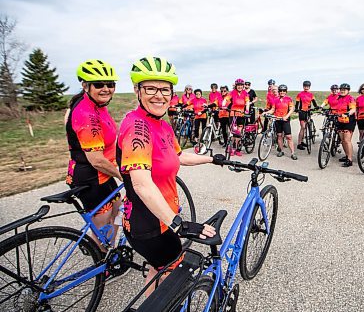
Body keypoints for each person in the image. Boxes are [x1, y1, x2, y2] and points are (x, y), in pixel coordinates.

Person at [117, 56, 218, 297]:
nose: (159, 95)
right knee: (174, 273)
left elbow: (179, 157)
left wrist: (213, 159)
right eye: (151, 88)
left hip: (160, 217)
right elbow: (141, 184)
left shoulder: (161, 124)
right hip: (151, 224)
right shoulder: (137, 128)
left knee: (159, 267)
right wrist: (178, 224)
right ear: (137, 90)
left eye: (165, 89)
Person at [66, 60, 122, 252]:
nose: (106, 89)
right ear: (85, 86)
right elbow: (96, 159)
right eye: (99, 84)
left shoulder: (97, 105)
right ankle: (100, 257)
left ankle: (108, 249)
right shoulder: (87, 114)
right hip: (92, 175)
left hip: (103, 172)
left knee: (117, 206)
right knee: (103, 223)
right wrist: (123, 174)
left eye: (110, 84)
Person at [263, 84, 297, 160]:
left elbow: (292, 109)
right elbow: (273, 109)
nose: (282, 92)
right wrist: (266, 113)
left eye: (284, 91)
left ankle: (293, 153)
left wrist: (286, 116)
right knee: (279, 135)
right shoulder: (276, 100)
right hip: (277, 119)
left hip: (285, 120)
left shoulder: (289, 99)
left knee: (289, 137)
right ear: (279, 91)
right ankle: (281, 151)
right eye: (280, 91)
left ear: (286, 91)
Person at [328, 83, 356, 167]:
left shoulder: (350, 98)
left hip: (349, 120)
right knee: (342, 140)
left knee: (347, 140)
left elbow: (353, 109)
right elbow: (335, 107)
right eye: (341, 90)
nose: (342, 91)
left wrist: (348, 113)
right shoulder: (338, 98)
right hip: (340, 120)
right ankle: (347, 155)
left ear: (348, 91)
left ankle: (350, 159)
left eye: (344, 90)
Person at [224, 78, 250, 156]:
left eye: (241, 85)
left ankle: (238, 149)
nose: (240, 87)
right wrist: (223, 104)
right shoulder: (232, 93)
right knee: (233, 132)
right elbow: (226, 99)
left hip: (241, 114)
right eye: (238, 85)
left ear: (243, 86)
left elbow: (247, 102)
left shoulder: (245, 93)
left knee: (238, 132)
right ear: (236, 86)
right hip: (233, 114)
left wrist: (247, 110)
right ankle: (232, 148)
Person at [296, 80, 319, 150]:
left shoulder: (311, 95)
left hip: (308, 112)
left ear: (309, 87)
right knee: (302, 127)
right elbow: (297, 103)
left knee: (305, 127)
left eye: (307, 86)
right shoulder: (299, 94)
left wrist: (316, 107)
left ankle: (302, 141)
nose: (306, 87)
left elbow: (314, 103)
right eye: (305, 86)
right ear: (303, 87)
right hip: (302, 112)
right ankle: (299, 143)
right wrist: (296, 109)